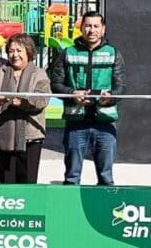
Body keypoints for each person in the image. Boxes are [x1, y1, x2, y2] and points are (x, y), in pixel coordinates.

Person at [49, 11, 126, 186]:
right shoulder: (67, 53)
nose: (92, 30)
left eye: (96, 26)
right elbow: (55, 85)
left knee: (106, 178)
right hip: (76, 123)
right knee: (72, 177)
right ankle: (70, 203)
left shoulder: (114, 53)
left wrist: (110, 97)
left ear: (103, 29)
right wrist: (72, 93)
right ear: (81, 28)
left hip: (105, 122)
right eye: (88, 26)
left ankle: (105, 203)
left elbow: (121, 87)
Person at [0, 33, 51, 184]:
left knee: (28, 181)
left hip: (30, 137)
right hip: (4, 136)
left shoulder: (39, 74)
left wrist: (24, 103)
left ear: (28, 51)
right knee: (7, 181)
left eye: (19, 50)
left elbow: (42, 100)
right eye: (11, 51)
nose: (15, 55)